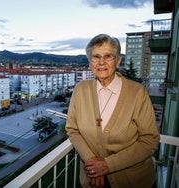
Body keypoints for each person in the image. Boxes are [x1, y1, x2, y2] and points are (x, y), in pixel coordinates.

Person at [65, 34, 160, 188]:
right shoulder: (80, 90)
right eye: (96, 57)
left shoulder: (137, 93)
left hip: (133, 181)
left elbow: (149, 140)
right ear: (90, 62)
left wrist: (107, 165)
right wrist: (92, 165)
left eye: (108, 56)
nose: (101, 62)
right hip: (92, 181)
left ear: (118, 60)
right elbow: (72, 130)